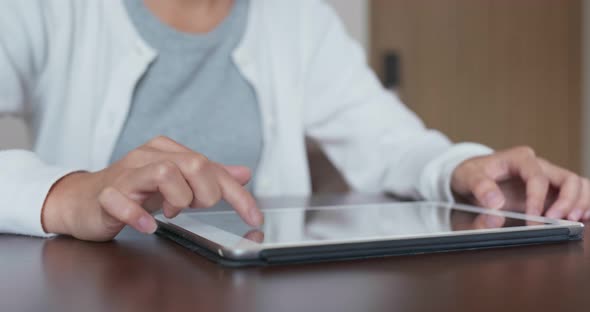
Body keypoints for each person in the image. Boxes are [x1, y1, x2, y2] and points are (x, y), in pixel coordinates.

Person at [0, 0, 588, 242]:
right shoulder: (48, 9)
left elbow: (388, 140)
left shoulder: (298, 17)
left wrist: (463, 168)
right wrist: (65, 194)